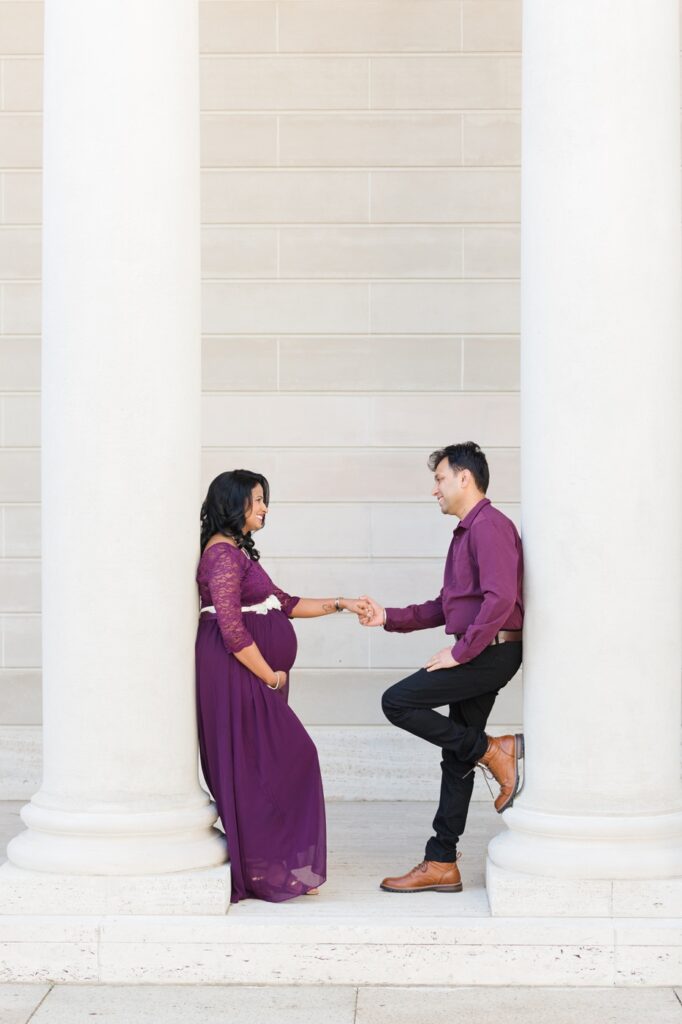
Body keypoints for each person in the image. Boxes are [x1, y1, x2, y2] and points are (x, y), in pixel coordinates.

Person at [195, 469, 370, 904]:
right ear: (233, 503)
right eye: (257, 500)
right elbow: (232, 630)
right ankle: (264, 868)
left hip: (248, 676)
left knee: (263, 767)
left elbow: (286, 604)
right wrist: (270, 676)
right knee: (288, 758)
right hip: (239, 675)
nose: (264, 508)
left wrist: (341, 604)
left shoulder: (238, 553)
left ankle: (269, 863)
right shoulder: (221, 555)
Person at [359, 442, 524, 894]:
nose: (434, 489)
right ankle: (441, 860)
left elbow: (501, 598)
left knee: (397, 701)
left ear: (464, 478)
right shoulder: (466, 533)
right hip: (481, 650)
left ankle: (493, 749)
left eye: (439, 479)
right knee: (457, 759)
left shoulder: (489, 526)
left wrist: (460, 653)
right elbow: (444, 606)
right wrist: (389, 617)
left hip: (489, 653)